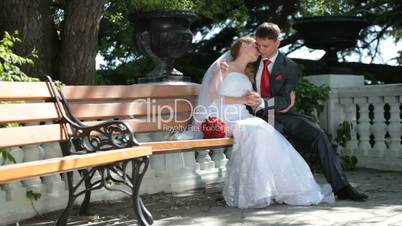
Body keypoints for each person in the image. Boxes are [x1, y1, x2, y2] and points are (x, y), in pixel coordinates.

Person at [192, 36, 334, 209]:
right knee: (258, 129)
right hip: (224, 117)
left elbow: (250, 99)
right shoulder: (224, 67)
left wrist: (254, 100)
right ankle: (255, 192)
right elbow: (214, 96)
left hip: (243, 116)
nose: (259, 52)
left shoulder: (248, 73)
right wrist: (240, 96)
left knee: (266, 131)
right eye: (256, 48)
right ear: (244, 45)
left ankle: (285, 188)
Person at [243, 22, 368, 202]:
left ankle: (342, 187)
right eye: (259, 45)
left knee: (318, 135)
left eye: (266, 46)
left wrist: (262, 102)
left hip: (286, 114)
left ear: (277, 43)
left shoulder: (290, 67)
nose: (261, 50)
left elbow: (286, 101)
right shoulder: (251, 60)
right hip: (257, 116)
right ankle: (271, 190)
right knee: (272, 136)